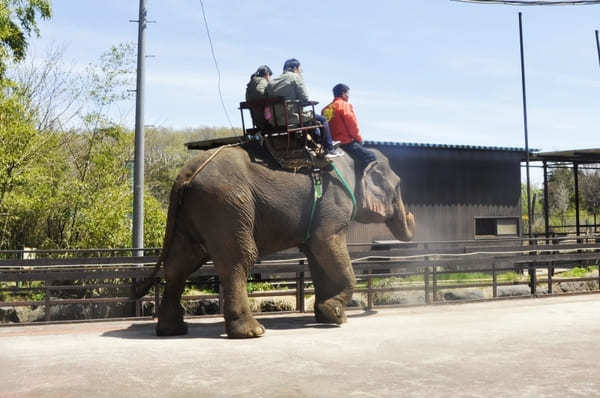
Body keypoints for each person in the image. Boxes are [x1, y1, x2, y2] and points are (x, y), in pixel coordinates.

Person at [266, 58, 342, 159]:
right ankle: (329, 149)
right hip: (290, 118)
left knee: (309, 118)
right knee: (322, 119)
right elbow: (305, 99)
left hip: (275, 120)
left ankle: (319, 142)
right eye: (300, 69)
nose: (301, 71)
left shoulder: (272, 82)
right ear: (295, 68)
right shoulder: (295, 77)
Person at [322, 83, 376, 169]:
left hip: (331, 144)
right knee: (371, 156)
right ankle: (360, 180)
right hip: (345, 143)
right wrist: (358, 139)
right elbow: (352, 124)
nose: (348, 96)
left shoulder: (326, 109)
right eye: (348, 93)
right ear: (343, 94)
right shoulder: (344, 105)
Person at [245, 65, 272, 130]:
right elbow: (259, 91)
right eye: (270, 76)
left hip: (256, 121)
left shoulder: (251, 84)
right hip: (265, 121)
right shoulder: (263, 81)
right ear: (267, 74)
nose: (270, 78)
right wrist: (270, 98)